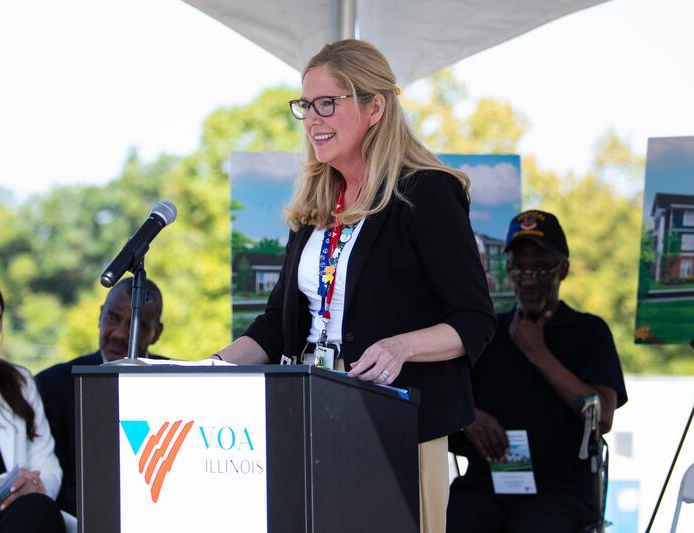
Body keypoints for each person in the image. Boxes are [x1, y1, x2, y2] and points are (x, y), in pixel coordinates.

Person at [212, 39, 496, 533]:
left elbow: (473, 320)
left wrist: (399, 348)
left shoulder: (426, 192)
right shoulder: (318, 202)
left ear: (375, 108)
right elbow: (279, 323)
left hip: (398, 422)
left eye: (328, 102)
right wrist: (210, 368)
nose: (312, 118)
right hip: (313, 412)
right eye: (305, 105)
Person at [446, 210, 628, 533]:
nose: (529, 280)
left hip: (561, 491)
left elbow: (601, 417)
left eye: (542, 268)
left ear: (564, 270)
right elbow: (448, 402)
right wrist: (469, 417)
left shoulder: (589, 332)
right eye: (519, 269)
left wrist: (539, 354)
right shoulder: (486, 333)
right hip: (488, 485)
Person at [35, 277, 164, 516]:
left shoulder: (178, 383)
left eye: (137, 325)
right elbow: (55, 478)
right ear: (100, 316)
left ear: (157, 332)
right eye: (112, 319)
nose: (120, 334)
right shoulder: (53, 385)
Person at [0, 273, 65, 533]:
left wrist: (34, 487)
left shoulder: (19, 381)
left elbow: (47, 462)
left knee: (36, 509)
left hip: (21, 516)